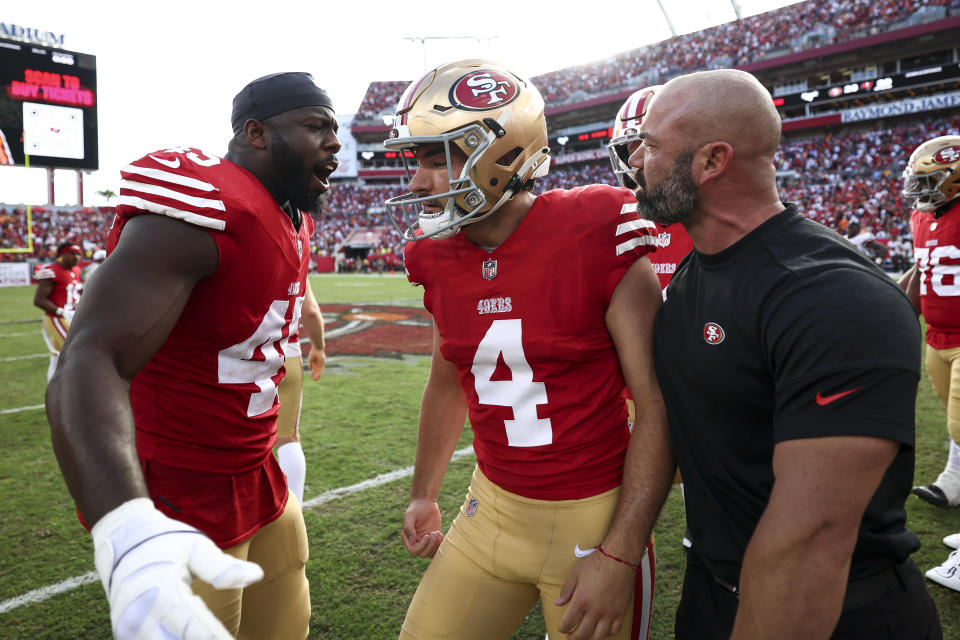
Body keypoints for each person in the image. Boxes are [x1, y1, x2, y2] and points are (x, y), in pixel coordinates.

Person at [631, 69, 941, 638]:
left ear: (711, 161)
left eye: (649, 146)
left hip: (834, 613)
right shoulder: (699, 271)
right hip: (712, 591)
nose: (635, 163)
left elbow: (811, 542)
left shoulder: (832, 297)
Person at [45, 71, 341, 640]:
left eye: (334, 128)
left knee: (287, 623)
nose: (333, 141)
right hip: (184, 488)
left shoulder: (292, 213)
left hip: (259, 472)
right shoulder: (204, 206)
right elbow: (89, 356)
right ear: (256, 132)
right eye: (315, 126)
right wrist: (127, 526)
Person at [385, 58, 672, 640]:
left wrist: (620, 552)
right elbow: (446, 379)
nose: (417, 181)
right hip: (489, 508)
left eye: (436, 158)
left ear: (500, 151)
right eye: (415, 160)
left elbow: (658, 401)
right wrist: (423, 493)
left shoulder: (595, 226)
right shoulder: (434, 255)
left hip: (593, 516)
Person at [898, 134, 960, 592]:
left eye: (931, 181)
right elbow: (923, 270)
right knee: (954, 425)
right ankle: (954, 483)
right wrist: (898, 309)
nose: (922, 190)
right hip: (936, 337)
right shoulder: (921, 217)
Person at [276, 279, 327, 504]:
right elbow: (312, 313)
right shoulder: (296, 246)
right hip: (286, 355)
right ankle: (294, 515)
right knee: (287, 438)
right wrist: (319, 347)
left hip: (237, 358)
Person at [33, 242, 83, 381]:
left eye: (78, 253)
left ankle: (52, 393)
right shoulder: (51, 270)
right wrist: (61, 312)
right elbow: (39, 300)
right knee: (77, 352)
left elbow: (77, 294)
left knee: (56, 360)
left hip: (72, 317)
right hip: (57, 318)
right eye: (72, 253)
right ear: (62, 255)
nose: (76, 257)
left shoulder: (77, 270)